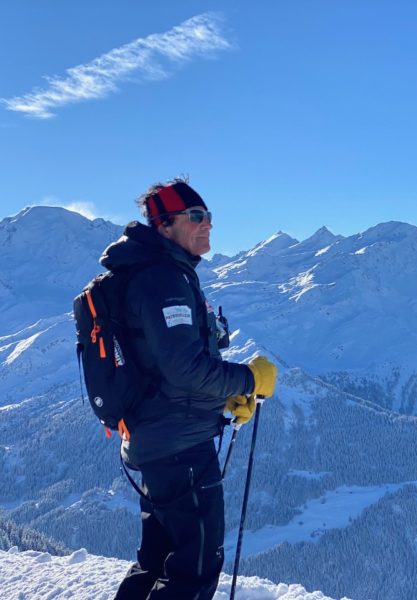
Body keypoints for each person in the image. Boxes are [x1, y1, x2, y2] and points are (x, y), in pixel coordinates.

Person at [102, 177, 278, 600]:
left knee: (157, 560)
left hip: (157, 441)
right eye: (196, 217)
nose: (208, 226)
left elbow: (166, 369)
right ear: (164, 224)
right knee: (193, 570)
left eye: (209, 217)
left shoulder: (153, 272)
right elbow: (184, 370)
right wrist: (248, 380)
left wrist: (225, 396)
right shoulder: (163, 280)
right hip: (179, 449)